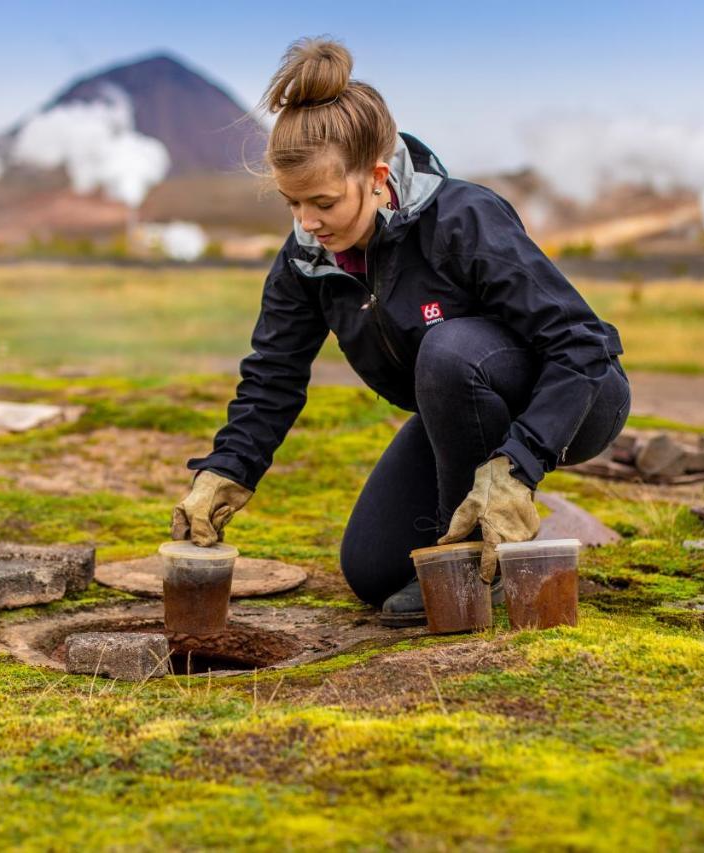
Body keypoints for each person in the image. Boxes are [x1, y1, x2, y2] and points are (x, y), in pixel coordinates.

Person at [171, 37, 630, 626]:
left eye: (324, 202)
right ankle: (477, 528)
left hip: (578, 401)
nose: (307, 223)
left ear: (378, 177)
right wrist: (227, 469)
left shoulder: (463, 219)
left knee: (449, 350)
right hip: (459, 408)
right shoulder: (306, 258)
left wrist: (518, 465)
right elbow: (273, 375)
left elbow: (582, 342)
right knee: (372, 572)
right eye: (292, 204)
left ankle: (475, 566)